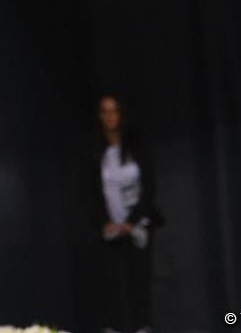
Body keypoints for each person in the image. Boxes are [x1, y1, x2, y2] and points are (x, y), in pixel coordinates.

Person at [94, 93, 162, 333]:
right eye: (105, 111)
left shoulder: (136, 147)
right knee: (111, 280)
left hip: (137, 227)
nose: (110, 116)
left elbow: (149, 187)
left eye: (114, 111)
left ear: (121, 114)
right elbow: (91, 190)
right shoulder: (98, 151)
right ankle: (113, 327)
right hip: (111, 228)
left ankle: (141, 327)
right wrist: (106, 222)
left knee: (138, 280)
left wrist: (131, 222)